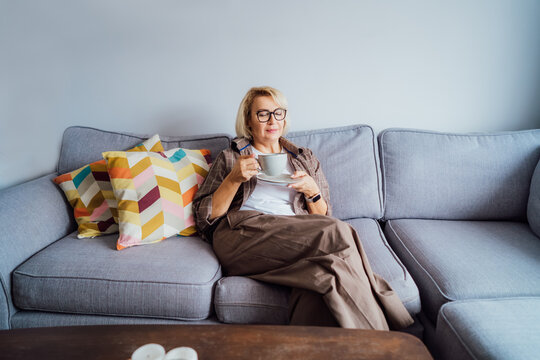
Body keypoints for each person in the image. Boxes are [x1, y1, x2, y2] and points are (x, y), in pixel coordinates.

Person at [192, 86, 413, 330]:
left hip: (295, 235)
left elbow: (322, 218)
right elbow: (205, 218)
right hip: (242, 232)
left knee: (327, 276)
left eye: (278, 113)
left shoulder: (303, 158)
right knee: (339, 232)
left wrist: (313, 192)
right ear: (249, 121)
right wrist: (234, 179)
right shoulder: (231, 157)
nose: (272, 120)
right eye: (263, 114)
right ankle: (387, 340)